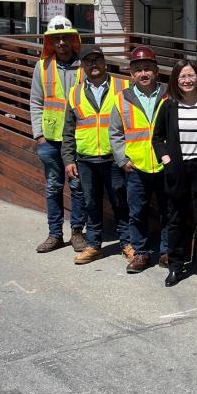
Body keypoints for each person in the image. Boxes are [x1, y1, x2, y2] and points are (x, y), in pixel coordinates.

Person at [61, 45, 132, 265]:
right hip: (86, 159)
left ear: (105, 62)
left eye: (97, 60)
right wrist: (68, 159)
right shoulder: (74, 93)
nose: (93, 64)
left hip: (115, 158)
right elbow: (68, 131)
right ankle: (93, 245)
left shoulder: (123, 86)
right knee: (91, 204)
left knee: (120, 202)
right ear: (82, 67)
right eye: (88, 61)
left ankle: (127, 243)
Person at [153, 59, 197, 287]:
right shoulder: (168, 106)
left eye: (191, 76)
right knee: (175, 220)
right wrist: (167, 159)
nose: (187, 80)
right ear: (175, 81)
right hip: (177, 170)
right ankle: (175, 265)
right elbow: (157, 137)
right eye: (182, 77)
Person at [30, 16, 88, 254]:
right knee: (53, 187)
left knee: (77, 186)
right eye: (56, 39)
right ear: (50, 43)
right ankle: (55, 234)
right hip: (50, 140)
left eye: (65, 37)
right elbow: (35, 101)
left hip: (76, 139)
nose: (61, 42)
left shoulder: (84, 66)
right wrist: (39, 136)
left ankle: (77, 233)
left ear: (73, 40)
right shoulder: (42, 66)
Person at [111, 45, 170, 274]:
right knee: (137, 212)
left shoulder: (168, 94)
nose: (143, 73)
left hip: (164, 164)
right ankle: (141, 253)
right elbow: (115, 133)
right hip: (135, 166)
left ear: (156, 70)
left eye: (147, 68)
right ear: (131, 73)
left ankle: (166, 252)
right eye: (138, 70)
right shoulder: (121, 99)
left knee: (168, 210)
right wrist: (122, 159)